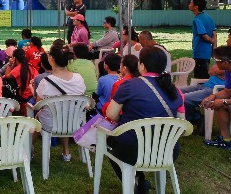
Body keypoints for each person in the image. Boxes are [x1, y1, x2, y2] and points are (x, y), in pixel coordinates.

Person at [105, 47, 185, 193]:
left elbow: (111, 114)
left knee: (108, 141)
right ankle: (139, 180)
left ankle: (135, 181)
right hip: (167, 150)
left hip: (133, 150)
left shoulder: (128, 85)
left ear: (141, 65)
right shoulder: (174, 90)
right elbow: (181, 123)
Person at [35, 44, 86, 162]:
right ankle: (66, 151)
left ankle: (29, 148)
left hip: (51, 124)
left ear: (51, 58)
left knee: (38, 117)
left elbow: (38, 104)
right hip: (75, 122)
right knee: (65, 113)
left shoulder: (45, 82)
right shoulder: (78, 78)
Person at [201, 45, 231, 148]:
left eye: (216, 60)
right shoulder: (228, 71)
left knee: (221, 103)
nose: (215, 62)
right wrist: (213, 96)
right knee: (218, 105)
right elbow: (228, 91)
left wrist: (224, 101)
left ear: (225, 63)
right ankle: (226, 141)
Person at [189, 0, 217, 79]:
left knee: (200, 79)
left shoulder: (197, 20)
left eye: (191, 3)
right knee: (204, 75)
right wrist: (214, 49)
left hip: (200, 53)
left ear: (196, 7)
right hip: (207, 53)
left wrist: (211, 41)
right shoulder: (209, 17)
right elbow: (214, 34)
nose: (189, 4)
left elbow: (204, 35)